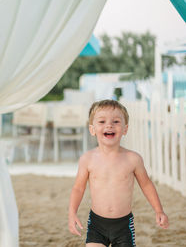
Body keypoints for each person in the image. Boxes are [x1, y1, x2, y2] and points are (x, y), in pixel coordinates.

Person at [68, 99, 169, 247]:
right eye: (102, 121)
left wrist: (159, 210)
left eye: (116, 121)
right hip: (97, 224)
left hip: (123, 225)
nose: (109, 125)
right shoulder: (87, 159)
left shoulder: (133, 159)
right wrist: (72, 213)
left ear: (125, 129)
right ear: (92, 129)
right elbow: (78, 188)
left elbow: (146, 185)